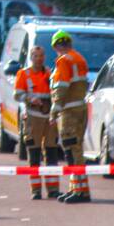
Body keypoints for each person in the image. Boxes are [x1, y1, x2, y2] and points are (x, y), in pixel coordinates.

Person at [13, 46, 60, 199]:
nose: (39, 58)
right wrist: (30, 99)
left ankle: (53, 189)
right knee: (34, 153)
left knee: (52, 152)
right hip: (33, 116)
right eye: (36, 56)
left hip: (49, 117)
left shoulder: (50, 72)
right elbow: (17, 95)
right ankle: (36, 190)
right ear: (31, 57)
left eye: (41, 55)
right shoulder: (23, 74)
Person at [50, 30, 91, 203]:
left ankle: (80, 192)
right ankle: (77, 188)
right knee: (77, 149)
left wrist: (54, 111)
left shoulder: (64, 61)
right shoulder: (79, 58)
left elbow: (61, 87)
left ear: (56, 45)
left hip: (69, 111)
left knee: (71, 150)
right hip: (80, 108)